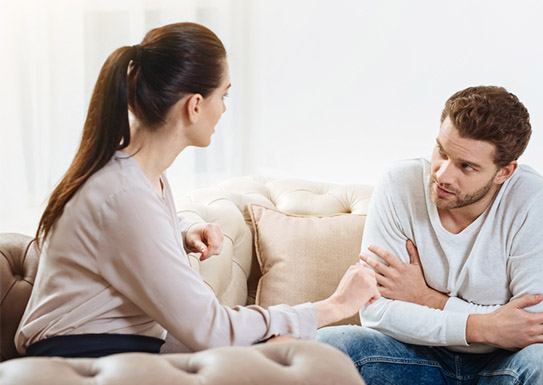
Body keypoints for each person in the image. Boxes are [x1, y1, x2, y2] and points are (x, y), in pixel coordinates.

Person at [15, 22, 379, 358]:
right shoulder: (123, 194)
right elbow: (210, 329)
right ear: (194, 106)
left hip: (110, 358)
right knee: (277, 358)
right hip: (80, 368)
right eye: (224, 96)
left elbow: (136, 231)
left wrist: (182, 230)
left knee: (275, 353)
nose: (223, 109)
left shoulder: (134, 177)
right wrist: (333, 306)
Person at [316, 86, 543, 385]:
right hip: (414, 354)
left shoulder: (538, 203)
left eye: (466, 167)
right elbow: (375, 312)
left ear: (504, 171)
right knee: (326, 347)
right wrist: (485, 326)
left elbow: (533, 331)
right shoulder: (399, 184)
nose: (442, 175)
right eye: (441, 152)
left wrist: (426, 299)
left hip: (500, 364)